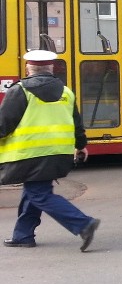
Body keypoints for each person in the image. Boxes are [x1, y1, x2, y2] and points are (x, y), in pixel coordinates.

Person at [1, 50, 100, 251]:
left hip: (29, 154)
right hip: (58, 154)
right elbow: (77, 124)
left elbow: (3, 124)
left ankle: (83, 223)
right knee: (34, 191)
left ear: (29, 67)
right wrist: (81, 145)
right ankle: (23, 235)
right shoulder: (66, 91)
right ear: (51, 67)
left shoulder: (20, 90)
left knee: (39, 193)